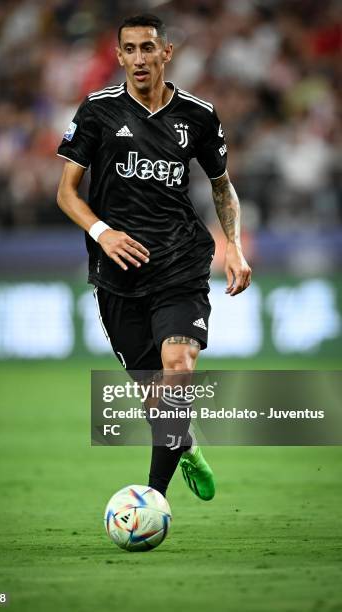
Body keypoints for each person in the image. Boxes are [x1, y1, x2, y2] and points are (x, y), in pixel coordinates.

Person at [56, 14, 251, 501]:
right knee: (157, 397)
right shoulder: (99, 111)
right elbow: (66, 193)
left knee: (178, 367)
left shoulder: (198, 116)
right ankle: (184, 444)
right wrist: (103, 232)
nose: (139, 58)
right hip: (117, 270)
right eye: (130, 49)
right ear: (119, 56)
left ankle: (152, 498)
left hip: (181, 262)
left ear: (167, 53)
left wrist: (235, 248)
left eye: (148, 48)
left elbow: (222, 187)